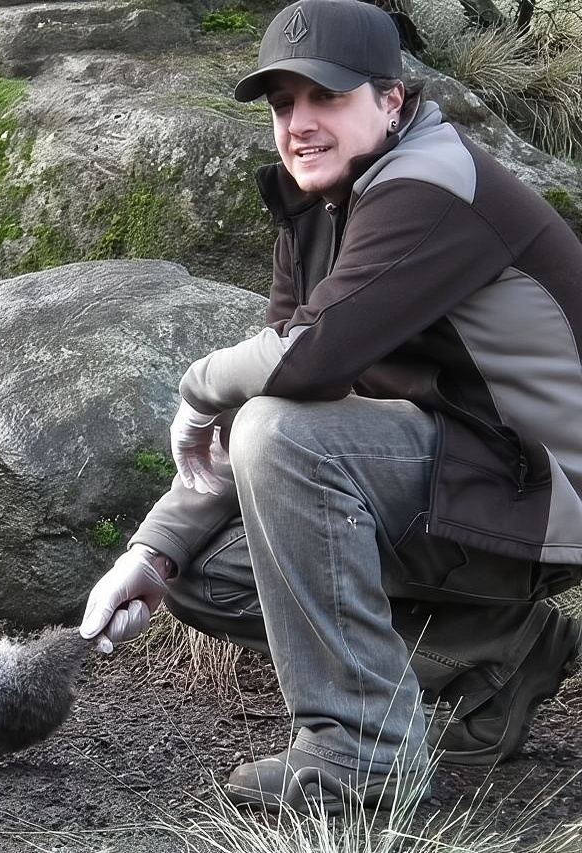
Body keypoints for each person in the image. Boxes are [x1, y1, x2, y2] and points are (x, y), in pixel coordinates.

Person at [79, 0, 582, 815]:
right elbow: (282, 370)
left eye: (326, 97)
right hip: (465, 476)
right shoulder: (323, 205)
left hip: (545, 493)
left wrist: (197, 387)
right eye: (283, 104)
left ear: (392, 99)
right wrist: (153, 552)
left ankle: (364, 753)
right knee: (209, 573)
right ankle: (499, 652)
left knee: (284, 436)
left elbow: (307, 363)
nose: (299, 124)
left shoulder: (434, 185)